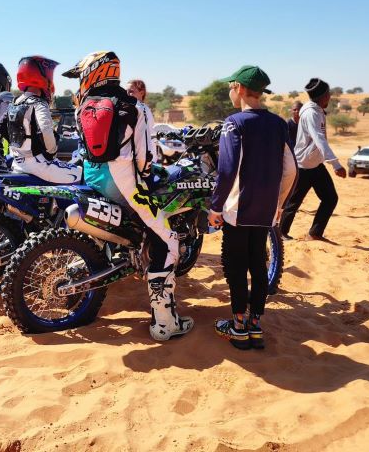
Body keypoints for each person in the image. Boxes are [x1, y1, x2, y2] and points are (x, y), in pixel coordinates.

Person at [64, 50, 192, 341]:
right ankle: (165, 323)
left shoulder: (82, 104)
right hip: (122, 183)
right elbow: (145, 158)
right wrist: (147, 177)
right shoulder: (136, 106)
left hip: (92, 178)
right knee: (168, 239)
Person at [208, 66, 297, 350]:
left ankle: (237, 326)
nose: (230, 92)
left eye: (231, 86)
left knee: (236, 266)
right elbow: (290, 169)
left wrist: (216, 206)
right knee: (258, 264)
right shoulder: (279, 123)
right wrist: (279, 203)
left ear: (241, 89)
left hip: (239, 209)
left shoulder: (235, 122)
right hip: (266, 210)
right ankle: (255, 325)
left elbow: (227, 169)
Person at [279, 78, 346, 242]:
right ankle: (280, 234)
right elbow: (319, 139)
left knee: (330, 198)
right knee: (293, 202)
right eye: (328, 94)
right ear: (323, 96)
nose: (330, 97)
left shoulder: (317, 111)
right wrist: (336, 164)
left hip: (315, 164)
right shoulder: (311, 113)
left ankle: (315, 233)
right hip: (303, 166)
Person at [7, 56, 82, 183]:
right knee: (80, 174)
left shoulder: (14, 102)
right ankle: (69, 204)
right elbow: (45, 129)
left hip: (17, 164)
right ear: (41, 77)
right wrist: (52, 153)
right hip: (39, 165)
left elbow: (1, 126)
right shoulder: (39, 103)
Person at [126, 79, 158, 161]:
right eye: (126, 91)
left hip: (143, 157)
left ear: (142, 92)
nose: (128, 94)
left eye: (131, 91)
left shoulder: (138, 108)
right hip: (147, 156)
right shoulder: (145, 108)